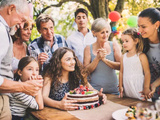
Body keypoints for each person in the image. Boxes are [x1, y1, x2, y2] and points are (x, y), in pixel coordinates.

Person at [0, 0, 43, 119]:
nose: (20, 25)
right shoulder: (1, 31)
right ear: (11, 9)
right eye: (22, 20)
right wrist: (24, 87)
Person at [42, 47, 106, 111]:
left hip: (77, 113)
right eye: (68, 59)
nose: (73, 62)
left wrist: (100, 95)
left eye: (73, 59)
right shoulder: (50, 75)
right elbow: (44, 97)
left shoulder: (78, 75)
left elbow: (92, 90)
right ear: (58, 62)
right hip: (55, 113)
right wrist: (59, 105)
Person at [83, 18, 121, 94]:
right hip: (95, 91)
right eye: (102, 32)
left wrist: (104, 60)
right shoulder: (88, 48)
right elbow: (85, 71)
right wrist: (97, 58)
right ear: (94, 33)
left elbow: (120, 66)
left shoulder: (114, 45)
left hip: (114, 90)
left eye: (107, 32)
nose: (105, 35)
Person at [119, 28, 151, 100]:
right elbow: (121, 72)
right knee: (129, 104)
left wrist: (146, 87)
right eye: (123, 41)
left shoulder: (141, 56)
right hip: (127, 87)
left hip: (139, 86)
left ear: (136, 41)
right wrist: (121, 86)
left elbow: (147, 72)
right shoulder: (123, 57)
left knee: (143, 106)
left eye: (126, 41)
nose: (124, 43)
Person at [138, 8, 160, 101]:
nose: (139, 30)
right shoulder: (140, 43)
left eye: (143, 27)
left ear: (156, 25)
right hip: (149, 94)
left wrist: (155, 84)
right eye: (138, 26)